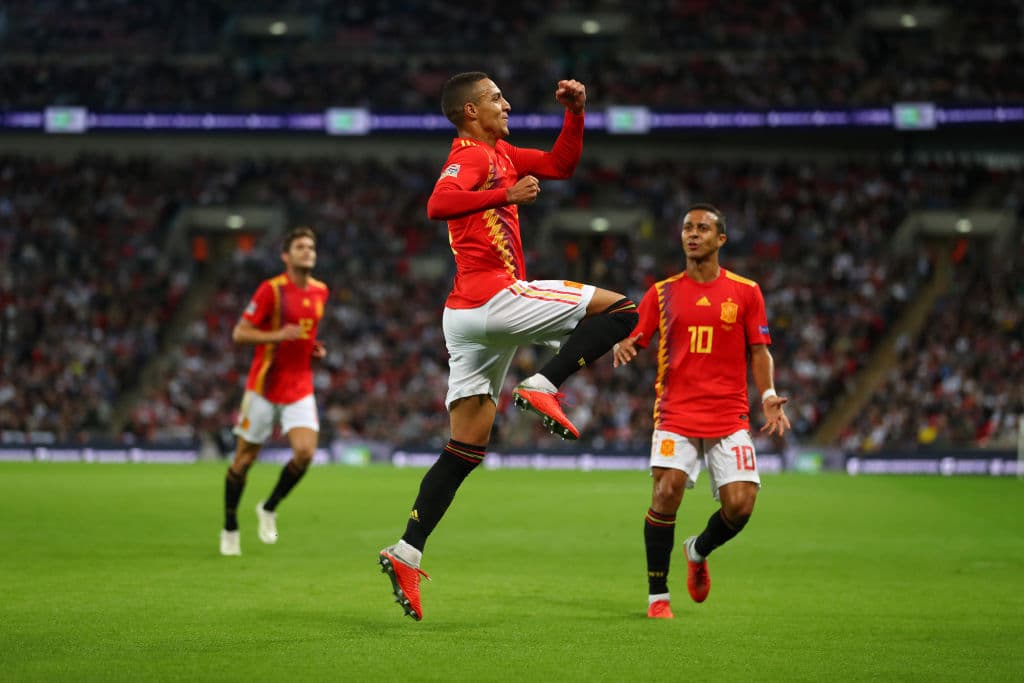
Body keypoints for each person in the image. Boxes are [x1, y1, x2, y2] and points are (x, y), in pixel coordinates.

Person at [377, 72, 638, 620]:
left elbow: (562, 165)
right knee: (622, 310)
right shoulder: (470, 155)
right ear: (471, 111)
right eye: (496, 98)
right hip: (494, 298)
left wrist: (577, 113)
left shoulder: (504, 152)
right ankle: (544, 383)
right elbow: (438, 203)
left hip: (464, 317)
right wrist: (507, 194)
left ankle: (406, 551)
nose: (508, 103)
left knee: (465, 449)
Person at [612, 204, 790, 618]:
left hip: (729, 417)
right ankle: (658, 596)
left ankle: (698, 549)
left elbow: (759, 350)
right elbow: (637, 336)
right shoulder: (662, 292)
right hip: (676, 413)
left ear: (720, 240)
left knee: (741, 505)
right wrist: (626, 345)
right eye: (688, 228)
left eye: (703, 229)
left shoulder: (746, 292)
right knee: (666, 490)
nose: (693, 234)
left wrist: (767, 394)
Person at [219, 227, 329, 556]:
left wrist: (312, 348)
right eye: (300, 246)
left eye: (311, 246)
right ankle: (229, 526)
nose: (308, 251)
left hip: (299, 385)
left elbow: (303, 335)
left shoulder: (321, 291)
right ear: (286, 256)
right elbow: (240, 333)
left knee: (306, 453)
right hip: (264, 386)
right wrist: (278, 335)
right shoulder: (271, 290)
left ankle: (268, 506)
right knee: (243, 461)